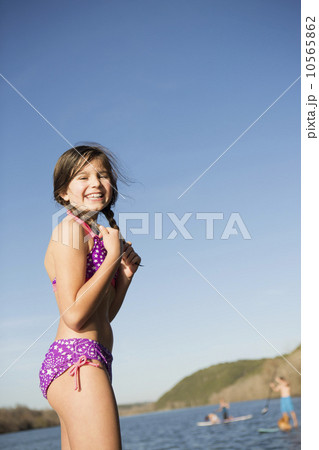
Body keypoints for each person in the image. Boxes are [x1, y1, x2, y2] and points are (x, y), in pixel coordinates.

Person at [39, 143, 141, 449]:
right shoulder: (70, 230)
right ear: (63, 193)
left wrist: (123, 277)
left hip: (88, 358)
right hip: (77, 360)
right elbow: (74, 314)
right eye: (83, 177)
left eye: (103, 175)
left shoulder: (94, 234)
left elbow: (101, 315)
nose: (96, 183)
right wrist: (111, 258)